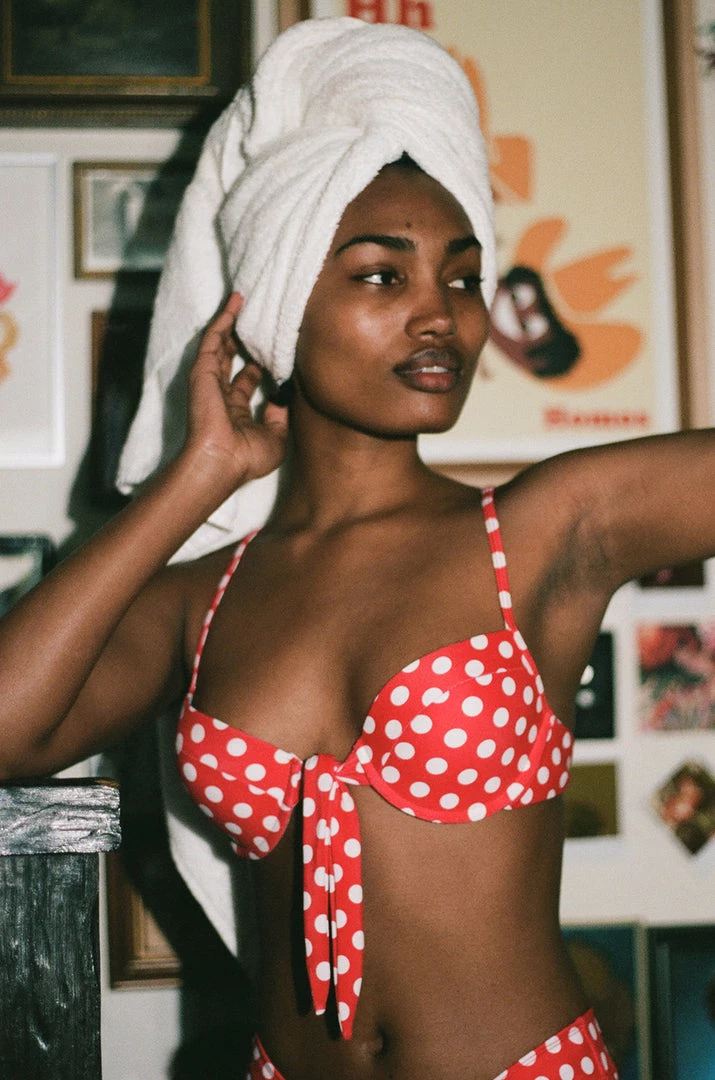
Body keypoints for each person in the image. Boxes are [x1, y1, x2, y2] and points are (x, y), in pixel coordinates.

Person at [0, 17, 713, 1080]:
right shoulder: (201, 598)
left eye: (462, 279)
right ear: (280, 304)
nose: (440, 318)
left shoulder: (546, 529)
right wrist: (194, 477)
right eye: (383, 276)